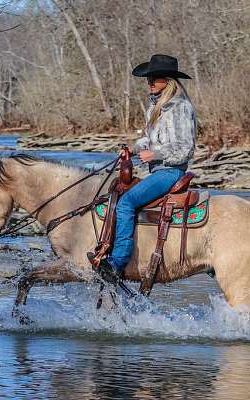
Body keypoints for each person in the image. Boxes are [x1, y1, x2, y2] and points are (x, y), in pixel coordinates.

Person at [96, 54, 197, 282]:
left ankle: (118, 262)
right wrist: (132, 150)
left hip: (171, 172)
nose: (149, 82)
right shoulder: (156, 108)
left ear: (168, 81)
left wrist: (156, 154)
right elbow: (150, 141)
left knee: (126, 204)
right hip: (157, 171)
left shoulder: (180, 107)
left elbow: (186, 148)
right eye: (148, 78)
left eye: (154, 78)